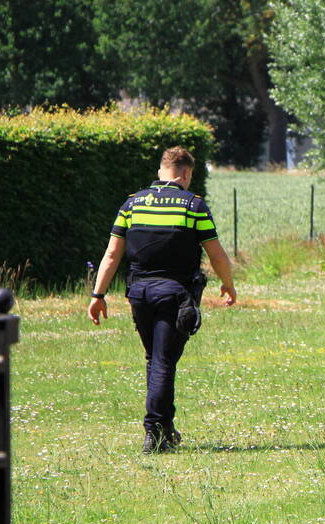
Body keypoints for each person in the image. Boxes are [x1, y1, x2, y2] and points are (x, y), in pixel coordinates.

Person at [87, 146, 237, 452]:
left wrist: (98, 294)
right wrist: (228, 284)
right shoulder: (193, 205)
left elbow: (113, 253)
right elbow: (216, 254)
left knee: (156, 358)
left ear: (160, 172)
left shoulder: (132, 204)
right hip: (175, 294)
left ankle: (166, 428)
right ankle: (153, 432)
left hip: (139, 294)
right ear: (185, 174)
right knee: (163, 361)